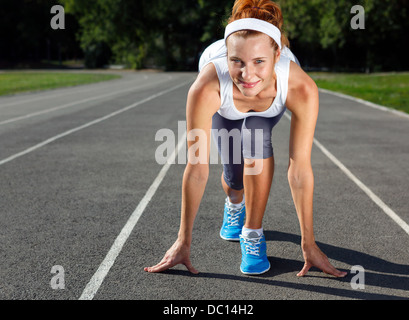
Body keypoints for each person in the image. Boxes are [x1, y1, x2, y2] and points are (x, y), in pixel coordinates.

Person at [145, 0, 347, 277]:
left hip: (267, 108)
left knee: (255, 136)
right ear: (225, 55)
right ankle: (234, 200)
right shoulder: (207, 86)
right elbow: (196, 168)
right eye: (236, 61)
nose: (247, 74)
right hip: (226, 107)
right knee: (233, 176)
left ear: (278, 56)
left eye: (259, 62)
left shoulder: (300, 86)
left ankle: (252, 233)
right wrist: (183, 241)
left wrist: (309, 243)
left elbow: (299, 170)